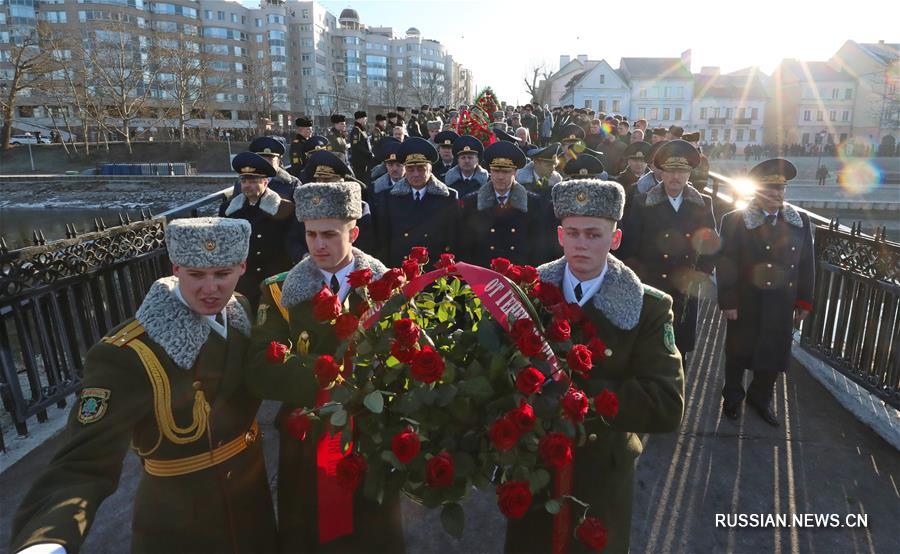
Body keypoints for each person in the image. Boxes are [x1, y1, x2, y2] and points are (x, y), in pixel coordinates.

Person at [10, 218, 277, 554]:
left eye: (222, 274)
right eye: (196, 274)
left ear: (242, 267)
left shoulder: (240, 311)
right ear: (175, 268)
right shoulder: (129, 353)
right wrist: (47, 541)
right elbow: (81, 462)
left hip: (251, 506)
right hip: (181, 528)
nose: (210, 289)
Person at [506, 178, 685, 554]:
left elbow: (666, 403)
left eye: (593, 234)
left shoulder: (648, 307)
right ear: (559, 235)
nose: (581, 244)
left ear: (615, 239)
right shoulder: (527, 293)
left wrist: (573, 397)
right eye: (573, 233)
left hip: (602, 471)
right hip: (535, 465)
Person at [246, 182, 405, 553]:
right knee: (311, 533)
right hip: (308, 435)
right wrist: (328, 374)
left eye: (330, 234)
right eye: (311, 234)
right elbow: (259, 369)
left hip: (371, 432)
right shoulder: (279, 292)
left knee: (374, 530)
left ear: (354, 232)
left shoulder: (388, 287)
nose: (318, 245)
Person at [717, 159, 814, 426]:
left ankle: (760, 400)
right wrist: (727, 300)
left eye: (780, 189)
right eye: (770, 189)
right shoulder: (736, 220)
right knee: (737, 353)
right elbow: (726, 263)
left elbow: (806, 263)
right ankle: (733, 398)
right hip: (746, 300)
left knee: (773, 354)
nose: (776, 194)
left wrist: (804, 300)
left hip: (781, 303)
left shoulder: (799, 221)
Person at [619, 140, 718, 358]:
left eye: (682, 171)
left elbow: (711, 243)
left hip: (685, 285)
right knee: (649, 345)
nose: (676, 177)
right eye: (671, 170)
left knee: (679, 348)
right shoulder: (643, 202)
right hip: (652, 283)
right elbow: (630, 245)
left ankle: (677, 391)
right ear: (661, 172)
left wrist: (702, 272)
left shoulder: (702, 203)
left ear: (690, 174)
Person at [220, 151, 296, 309]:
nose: (248, 185)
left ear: (265, 182)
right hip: (244, 279)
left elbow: (291, 241)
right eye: (244, 180)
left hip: (275, 278)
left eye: (254, 181)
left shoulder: (284, 208)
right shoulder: (229, 210)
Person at [459, 140, 553, 267]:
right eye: (496, 171)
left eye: (506, 172)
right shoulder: (472, 202)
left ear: (515, 173)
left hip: (517, 275)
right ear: (490, 172)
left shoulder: (533, 203)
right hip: (484, 274)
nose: (500, 176)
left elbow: (539, 247)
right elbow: (465, 245)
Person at [372, 137, 459, 267]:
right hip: (401, 266)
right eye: (411, 170)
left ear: (430, 170)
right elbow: (384, 238)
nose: (416, 174)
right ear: (405, 170)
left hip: (434, 267)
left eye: (421, 169)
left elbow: (453, 238)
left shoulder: (447, 197)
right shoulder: (389, 196)